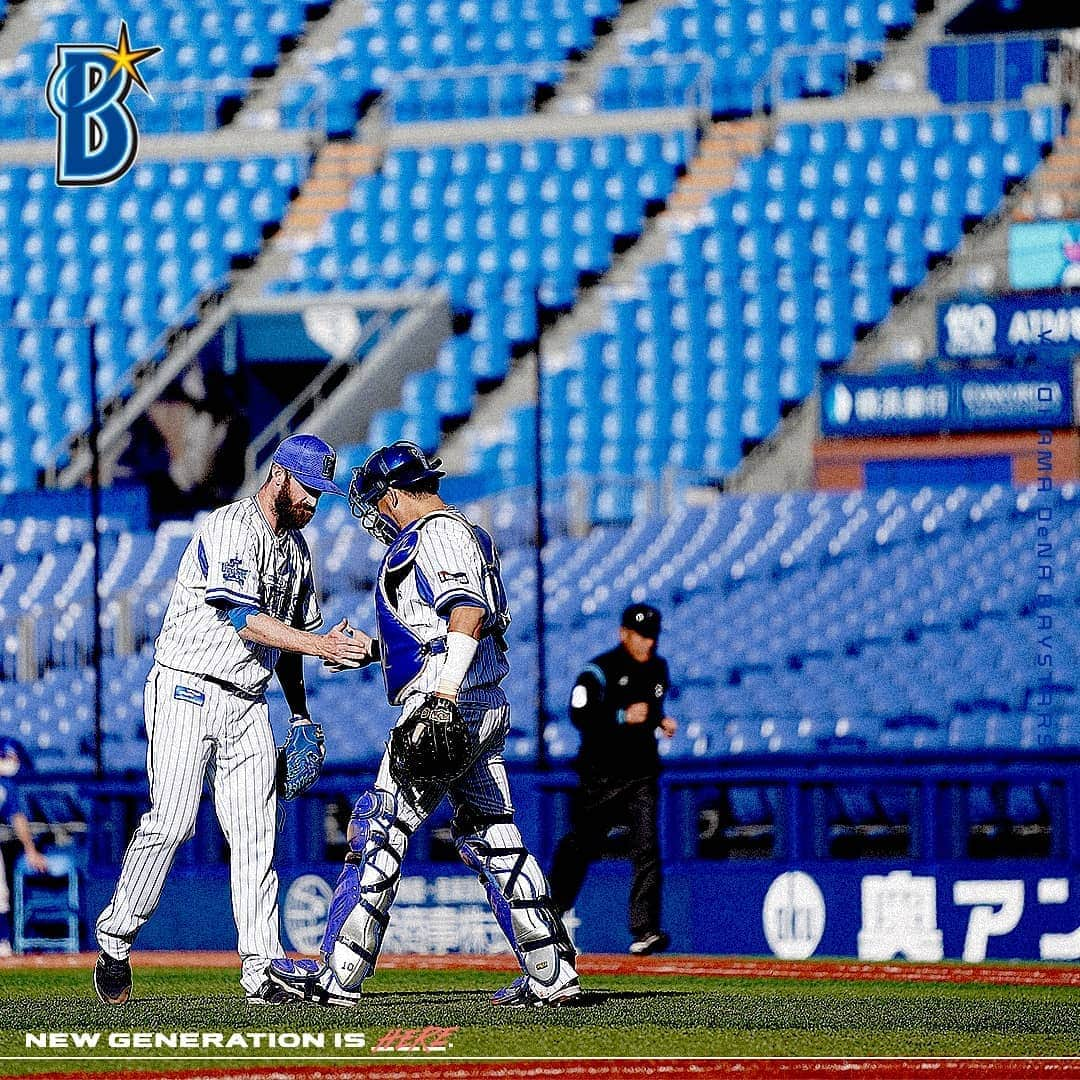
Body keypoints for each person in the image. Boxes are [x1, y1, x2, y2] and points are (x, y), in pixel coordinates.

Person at [267, 440, 581, 1008]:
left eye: (376, 501)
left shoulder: (437, 533)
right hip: (476, 704)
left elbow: (466, 614)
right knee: (495, 838)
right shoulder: (460, 533)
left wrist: (439, 693)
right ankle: (552, 973)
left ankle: (337, 976)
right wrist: (370, 651)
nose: (375, 516)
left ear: (392, 494)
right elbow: (434, 636)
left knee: (378, 832)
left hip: (446, 707)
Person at [93, 434, 368, 1005]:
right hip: (186, 688)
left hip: (248, 700)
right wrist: (320, 645)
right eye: (308, 489)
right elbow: (246, 620)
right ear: (279, 476)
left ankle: (262, 968)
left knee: (256, 834)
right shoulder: (229, 526)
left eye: (321, 493)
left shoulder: (297, 551)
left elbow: (288, 647)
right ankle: (116, 939)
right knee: (171, 822)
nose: (314, 503)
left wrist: (299, 716)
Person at [548, 603, 677, 956]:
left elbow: (651, 712)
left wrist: (659, 722)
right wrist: (621, 716)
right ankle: (552, 911)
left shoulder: (658, 668)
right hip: (601, 776)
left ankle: (645, 929)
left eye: (652, 636)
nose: (648, 643)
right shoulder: (600, 670)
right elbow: (580, 714)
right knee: (582, 845)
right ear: (624, 634)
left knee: (647, 848)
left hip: (641, 774)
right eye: (641, 635)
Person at [0, 739, 49, 956]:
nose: (12, 763)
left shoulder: (6, 785)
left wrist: (30, 849)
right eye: (7, 758)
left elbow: (16, 817)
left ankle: (2, 941)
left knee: (1, 893)